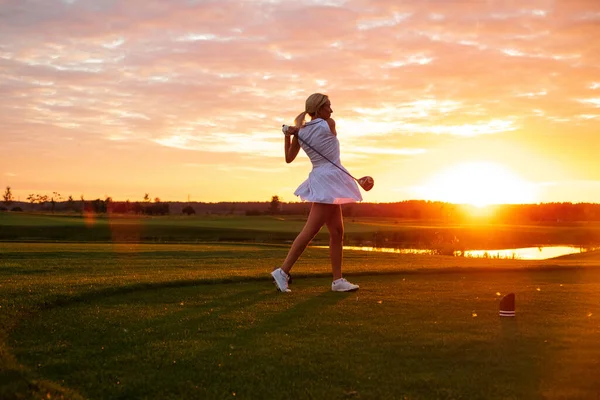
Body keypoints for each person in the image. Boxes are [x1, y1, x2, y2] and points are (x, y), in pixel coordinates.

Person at [271, 93, 366, 293]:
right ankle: (282, 271)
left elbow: (289, 157)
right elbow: (290, 158)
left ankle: (337, 280)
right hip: (327, 180)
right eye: (328, 106)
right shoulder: (326, 123)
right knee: (311, 230)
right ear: (319, 109)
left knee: (337, 232)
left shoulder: (303, 130)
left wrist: (291, 134)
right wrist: (290, 134)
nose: (331, 110)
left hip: (328, 178)